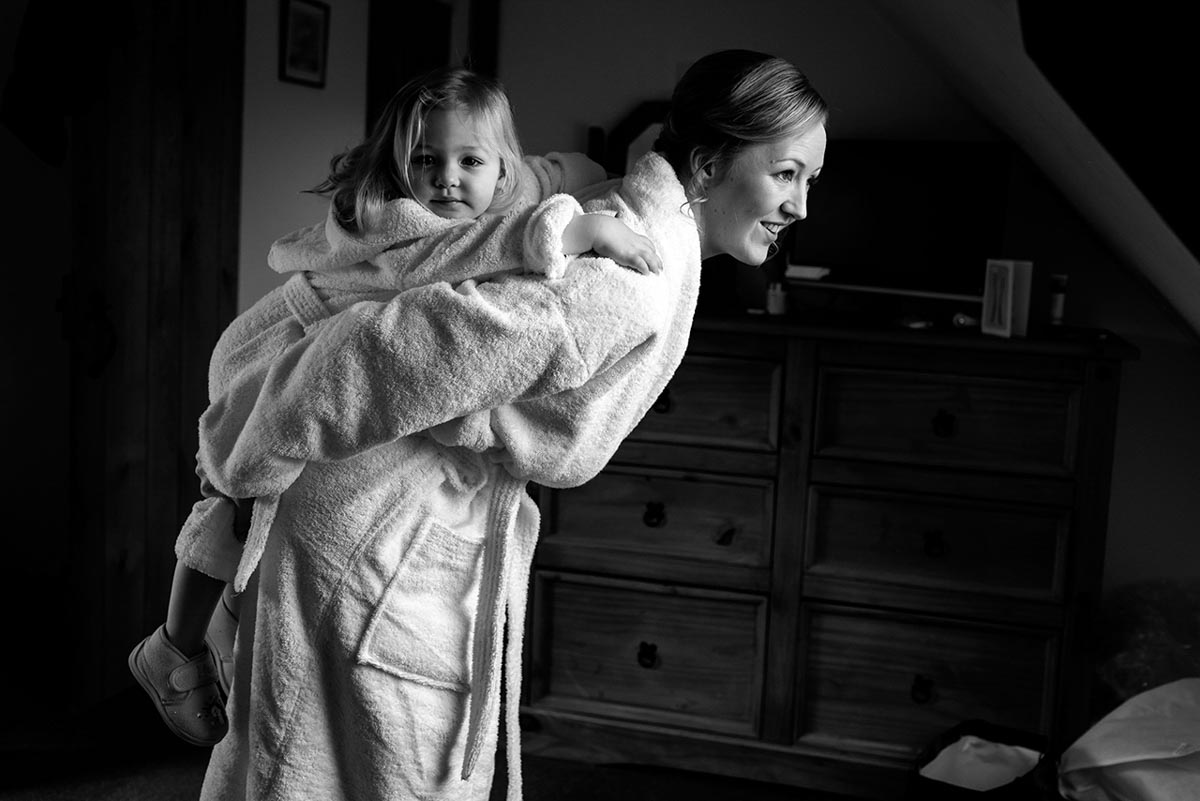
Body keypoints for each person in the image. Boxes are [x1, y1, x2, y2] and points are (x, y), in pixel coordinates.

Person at [188, 49, 828, 801]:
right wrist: (244, 459)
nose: (801, 207)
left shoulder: (627, 215)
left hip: (396, 530)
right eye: (787, 174)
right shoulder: (626, 288)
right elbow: (372, 352)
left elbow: (535, 178)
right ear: (712, 163)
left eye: (809, 181)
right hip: (367, 539)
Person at [126, 66, 661, 748]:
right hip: (270, 349)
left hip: (309, 344)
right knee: (239, 490)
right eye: (426, 160)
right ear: (400, 165)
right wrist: (577, 228)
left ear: (501, 171)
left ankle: (226, 611)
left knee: (261, 498)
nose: (447, 178)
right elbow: (460, 252)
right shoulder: (397, 218)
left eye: (470, 161)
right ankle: (171, 646)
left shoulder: (501, 187)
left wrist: (580, 176)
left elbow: (544, 175)